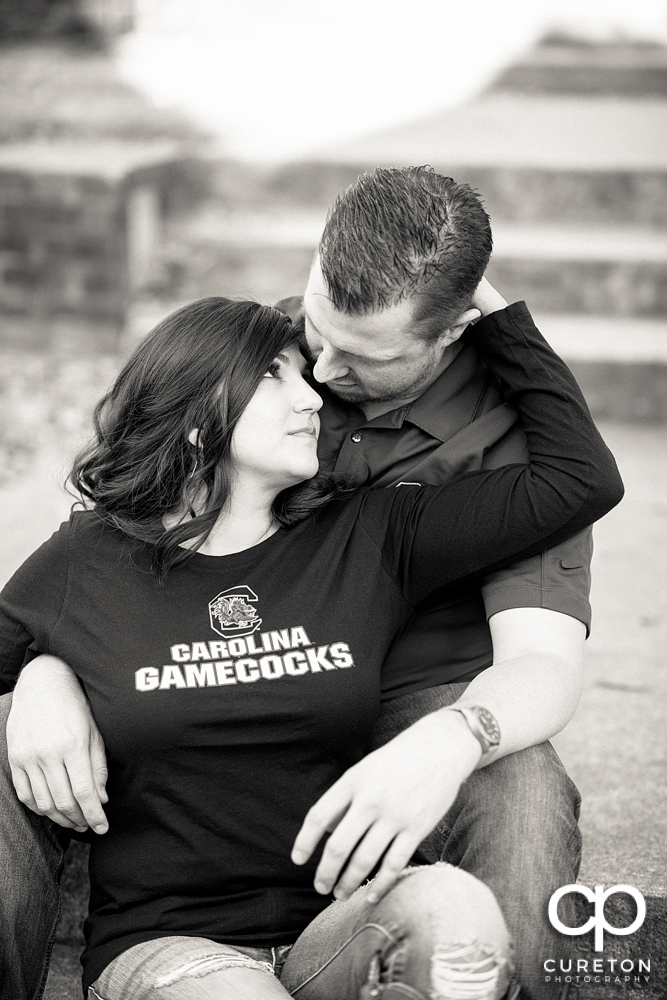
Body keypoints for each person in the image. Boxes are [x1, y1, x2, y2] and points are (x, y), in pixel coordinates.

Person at [0, 289, 623, 1000]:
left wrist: (484, 305)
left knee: (453, 909)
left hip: (331, 934)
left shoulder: (368, 535)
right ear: (200, 414)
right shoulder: (88, 560)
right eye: (276, 374)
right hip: (170, 947)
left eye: (305, 376)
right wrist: (40, 673)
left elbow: (579, 481)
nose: (312, 401)